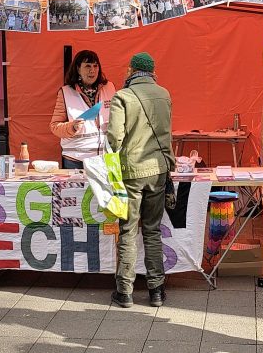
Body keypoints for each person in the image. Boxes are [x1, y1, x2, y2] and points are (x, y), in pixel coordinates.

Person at [107, 52, 174, 308]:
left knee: (127, 231)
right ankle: (156, 290)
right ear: (152, 71)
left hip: (130, 172)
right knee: (152, 230)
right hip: (158, 170)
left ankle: (125, 292)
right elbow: (166, 132)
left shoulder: (122, 96)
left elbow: (114, 137)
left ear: (130, 70)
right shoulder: (164, 94)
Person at [50, 50, 117, 169]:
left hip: (107, 157)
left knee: (108, 188)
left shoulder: (109, 88)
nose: (92, 70)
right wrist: (72, 127)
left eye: (95, 66)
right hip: (76, 159)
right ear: (78, 69)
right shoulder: (66, 92)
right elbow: (55, 127)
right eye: (87, 66)